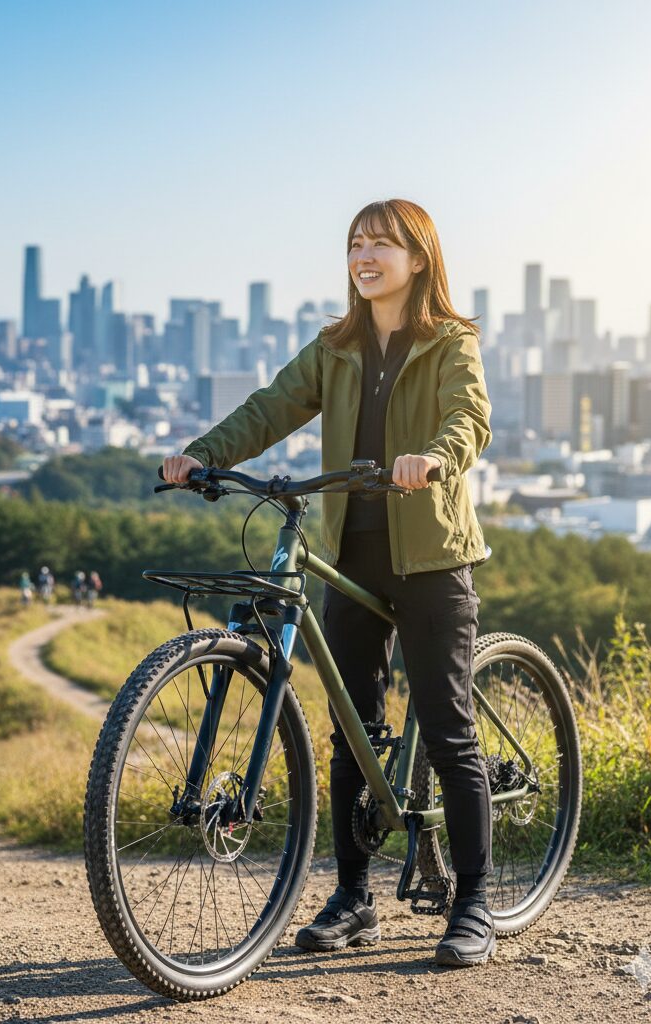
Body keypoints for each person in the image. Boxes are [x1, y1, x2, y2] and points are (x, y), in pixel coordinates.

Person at [162, 199, 494, 968]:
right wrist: (203, 454)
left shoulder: (451, 341)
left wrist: (434, 458)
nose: (364, 255)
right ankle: (354, 897)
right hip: (350, 553)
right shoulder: (334, 347)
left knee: (448, 730)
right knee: (352, 731)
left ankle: (474, 901)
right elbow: (272, 407)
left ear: (419, 258)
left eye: (382, 244)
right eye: (355, 244)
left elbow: (468, 418)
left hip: (431, 556)